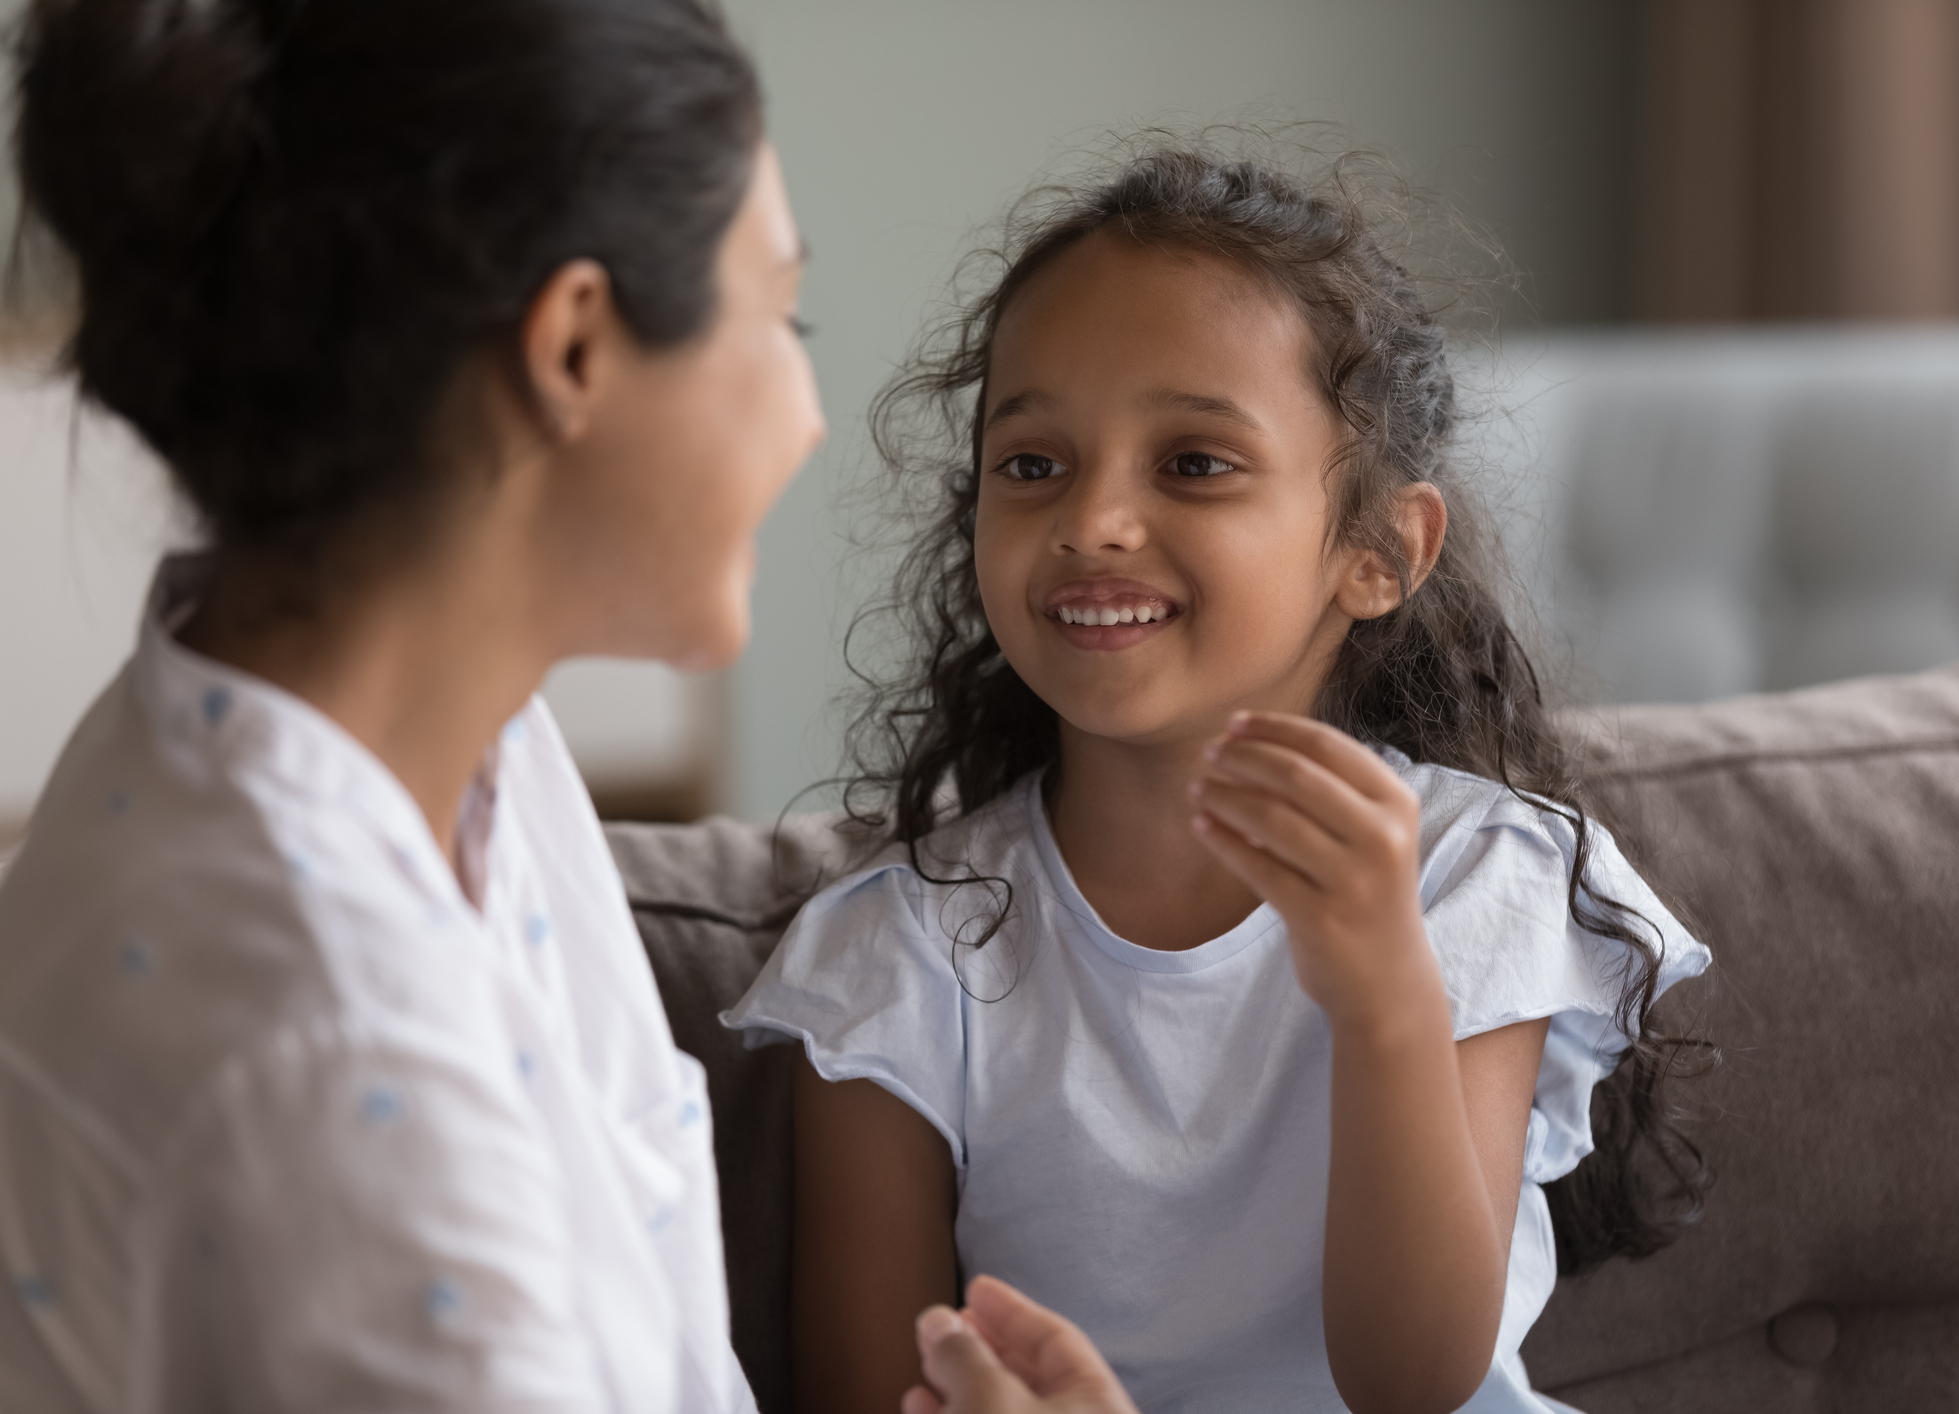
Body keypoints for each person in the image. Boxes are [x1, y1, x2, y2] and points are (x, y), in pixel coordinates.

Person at [0, 0, 1135, 1409]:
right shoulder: (340, 1070)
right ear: (577, 348)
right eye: (780, 317)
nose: (809, 413)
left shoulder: (448, 754)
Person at [724, 146, 1715, 1414]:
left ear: (1378, 551)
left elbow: (1414, 1382)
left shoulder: (1476, 875)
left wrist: (1385, 1000)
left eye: (1192, 463)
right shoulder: (896, 956)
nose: (1092, 520)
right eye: (1033, 464)